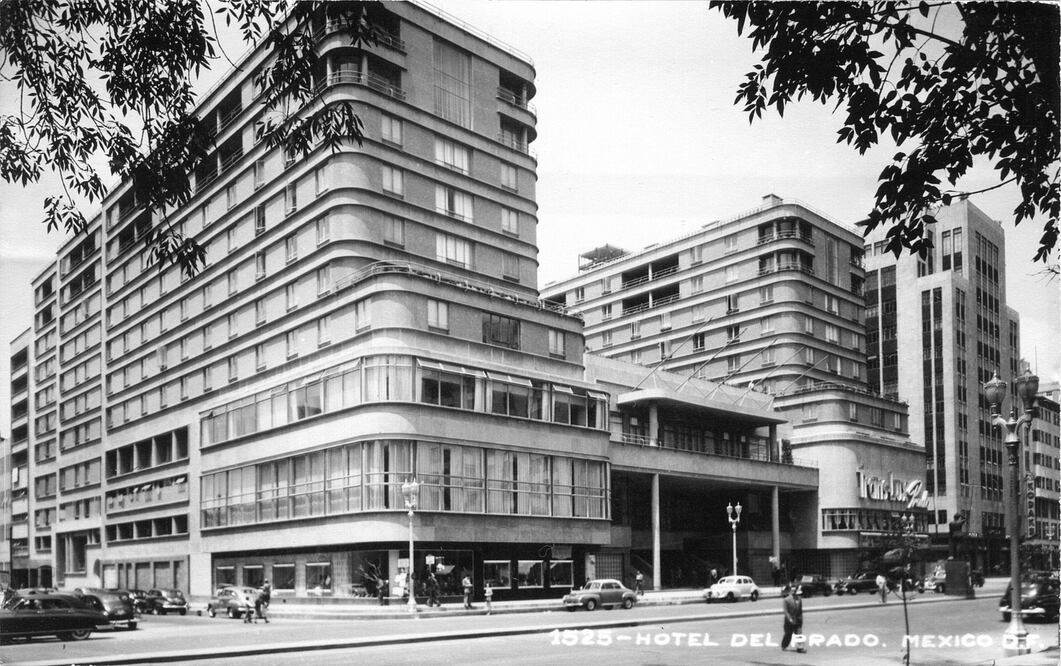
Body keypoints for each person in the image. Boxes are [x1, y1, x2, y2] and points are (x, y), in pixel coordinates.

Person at [780, 586, 804, 652]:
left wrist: (801, 619)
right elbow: (786, 611)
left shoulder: (799, 599)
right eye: (792, 590)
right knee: (788, 634)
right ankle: (784, 646)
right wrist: (790, 619)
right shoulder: (786, 600)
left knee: (799, 633)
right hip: (789, 621)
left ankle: (800, 647)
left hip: (798, 619)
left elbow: (800, 610)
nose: (798, 595)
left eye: (795, 590)